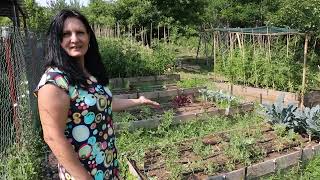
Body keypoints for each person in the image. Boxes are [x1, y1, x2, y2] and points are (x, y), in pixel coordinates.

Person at [34, 9, 160, 180]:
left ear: (89, 37)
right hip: (82, 173)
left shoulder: (89, 74)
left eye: (80, 32)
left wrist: (139, 101)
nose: (74, 39)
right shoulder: (54, 81)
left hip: (106, 164)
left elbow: (104, 104)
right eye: (66, 34)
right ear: (57, 41)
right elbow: (52, 137)